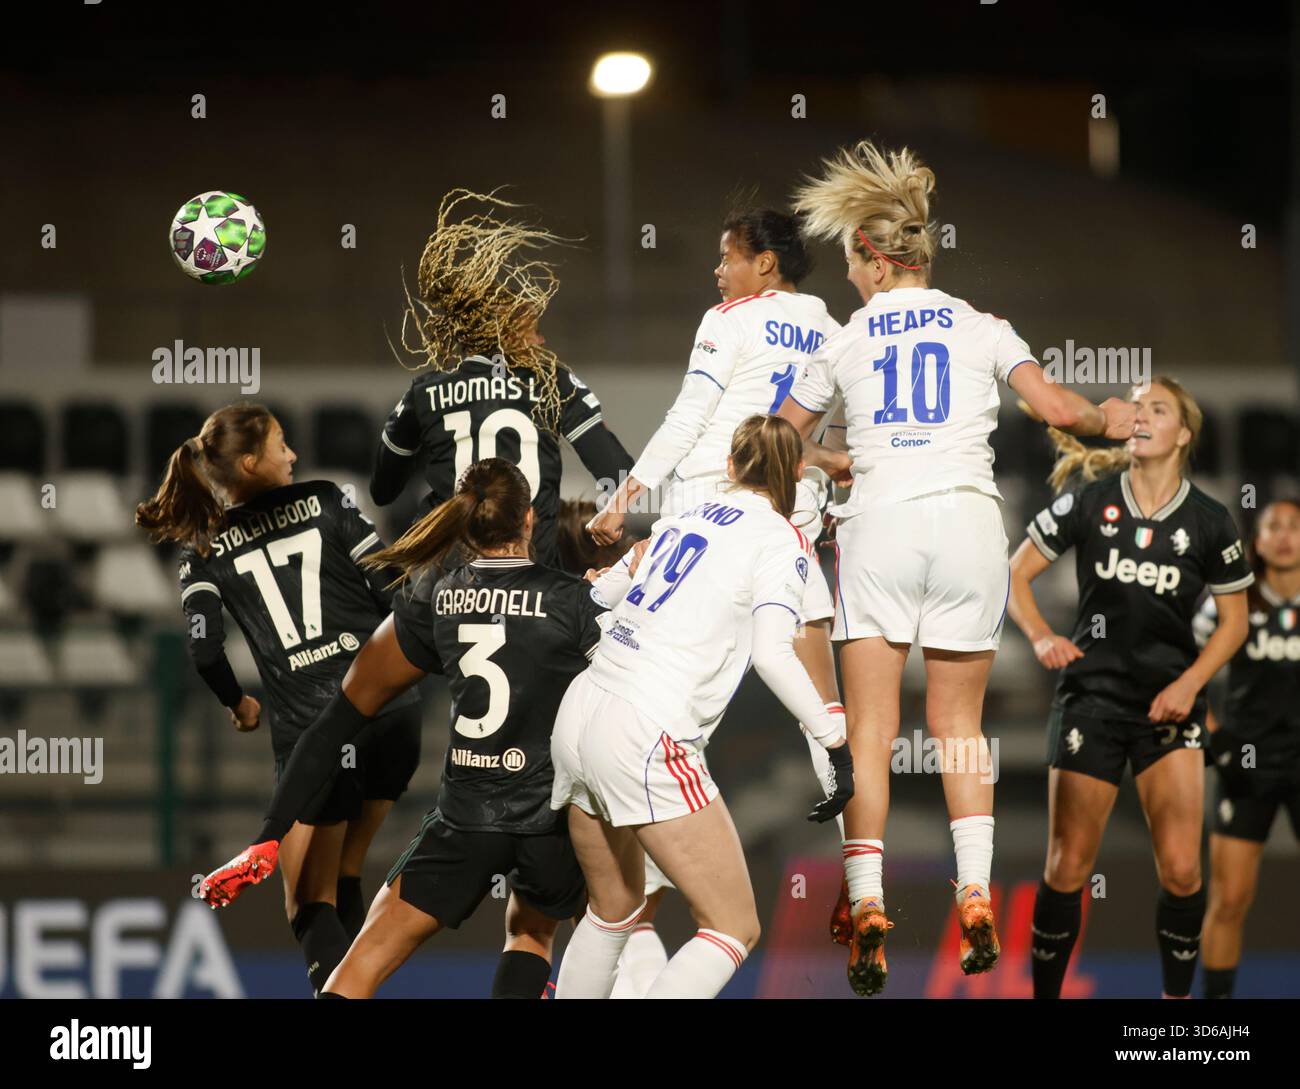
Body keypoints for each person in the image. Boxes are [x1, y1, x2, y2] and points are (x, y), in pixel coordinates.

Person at [776, 139, 1138, 996]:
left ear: (872, 252)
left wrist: (828, 462)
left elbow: (776, 438)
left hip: (884, 525)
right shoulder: (982, 324)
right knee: (958, 726)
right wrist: (1108, 419)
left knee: (868, 729)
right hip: (972, 526)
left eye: (850, 261)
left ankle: (865, 902)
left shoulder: (849, 337)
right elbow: (1059, 409)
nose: (850, 278)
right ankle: (973, 889)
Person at [200, 458, 627, 999]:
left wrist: (267, 838)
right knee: (531, 933)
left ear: (463, 523)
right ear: (528, 524)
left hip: (464, 822)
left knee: (362, 963)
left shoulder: (435, 597)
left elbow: (336, 723)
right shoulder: (575, 603)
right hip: (549, 821)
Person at [586, 208, 850, 988]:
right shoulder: (830, 327)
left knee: (667, 685)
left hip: (709, 497)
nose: (716, 272)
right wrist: (830, 464)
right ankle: (859, 874)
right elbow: (801, 431)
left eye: (726, 258)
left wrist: (627, 491)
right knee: (812, 684)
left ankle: (642, 889)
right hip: (787, 505)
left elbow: (690, 415)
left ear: (765, 265)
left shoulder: (726, 319)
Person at [551, 415, 854, 1000]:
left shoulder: (678, 518)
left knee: (611, 912)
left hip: (582, 709)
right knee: (732, 926)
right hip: (645, 730)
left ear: (731, 466)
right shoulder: (780, 539)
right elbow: (772, 653)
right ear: (796, 473)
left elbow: (595, 595)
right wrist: (832, 741)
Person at [135, 402, 421, 994]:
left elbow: (206, 651)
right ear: (249, 461)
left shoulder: (203, 548)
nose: (292, 454)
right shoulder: (330, 499)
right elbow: (392, 589)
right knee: (344, 874)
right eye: (280, 445)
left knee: (306, 904)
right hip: (393, 719)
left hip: (313, 733)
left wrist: (237, 704)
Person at [1007, 378, 1253, 999]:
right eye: (1136, 406)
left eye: (1157, 409)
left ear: (1184, 434)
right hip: (1092, 699)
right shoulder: (1089, 502)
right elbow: (1014, 576)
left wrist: (1192, 681)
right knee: (1067, 867)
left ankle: (1174, 1015)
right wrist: (1039, 637)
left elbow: (1236, 622)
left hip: (1171, 708)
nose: (1140, 415)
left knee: (1181, 869)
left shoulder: (1210, 520)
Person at [369, 189, 634, 565]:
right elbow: (618, 472)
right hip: (533, 580)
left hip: (450, 584)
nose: (542, 341)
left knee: (402, 613)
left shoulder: (425, 391)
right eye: (533, 332)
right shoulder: (552, 384)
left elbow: (382, 491)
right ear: (507, 337)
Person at [1196, 498, 1300, 998]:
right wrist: (1215, 738)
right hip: (1244, 767)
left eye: (1294, 526)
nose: (1283, 535)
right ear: (1255, 541)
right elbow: (1182, 666)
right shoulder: (1232, 601)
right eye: (1272, 526)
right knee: (1230, 899)